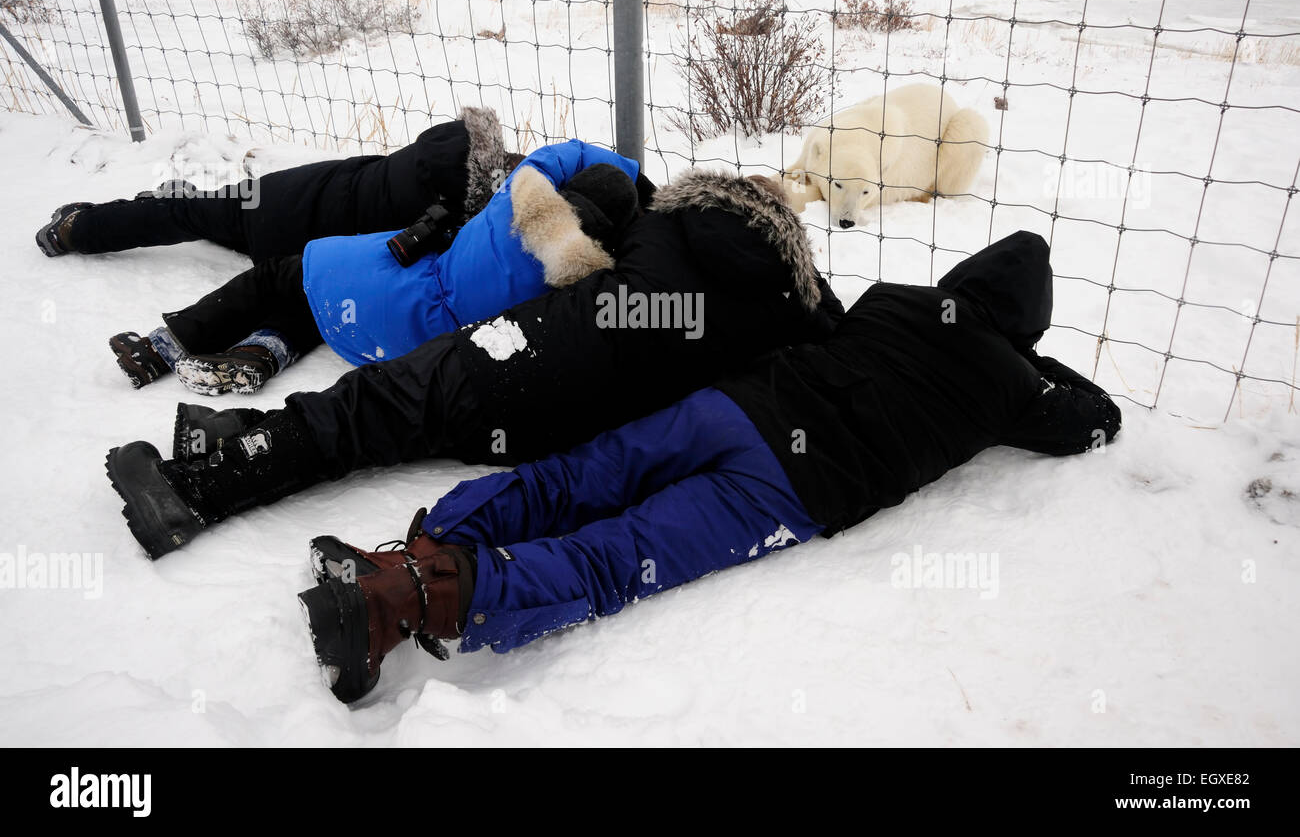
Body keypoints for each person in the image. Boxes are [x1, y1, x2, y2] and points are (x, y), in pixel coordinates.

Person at [292, 231, 1123, 704]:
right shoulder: (1016, 386)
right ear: (1026, 332)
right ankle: (404, 601)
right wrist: (1027, 362)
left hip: (733, 408)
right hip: (794, 483)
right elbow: (1097, 421)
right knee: (618, 556)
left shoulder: (897, 297)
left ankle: (412, 553)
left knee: (575, 479)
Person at [105, 171, 844, 559]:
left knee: (372, 408)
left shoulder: (667, 221)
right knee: (389, 421)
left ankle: (192, 493)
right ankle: (228, 432)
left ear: (714, 197)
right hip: (568, 430)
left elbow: (585, 247)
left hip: (521, 353)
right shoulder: (784, 308)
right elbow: (831, 332)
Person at [106, 142, 644, 394]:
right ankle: (262, 352)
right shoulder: (585, 289)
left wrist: (632, 173)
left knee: (278, 278)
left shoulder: (514, 204)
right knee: (320, 310)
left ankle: (162, 345)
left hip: (393, 281)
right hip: (407, 347)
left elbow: (553, 156)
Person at [38, 107, 590, 262]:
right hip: (290, 224)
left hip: (295, 194)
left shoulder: (445, 150)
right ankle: (79, 231)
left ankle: (103, 217)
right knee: (196, 214)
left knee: (200, 211)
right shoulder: (456, 215)